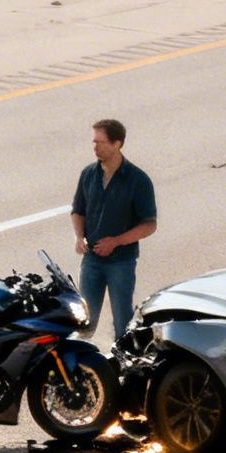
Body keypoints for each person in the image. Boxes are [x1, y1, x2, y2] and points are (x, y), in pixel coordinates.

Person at [71, 119, 157, 342]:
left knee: (122, 323)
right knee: (84, 322)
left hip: (121, 263)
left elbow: (149, 225)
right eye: (94, 142)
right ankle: (78, 369)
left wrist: (116, 241)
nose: (95, 147)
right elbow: (78, 211)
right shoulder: (88, 174)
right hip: (91, 262)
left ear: (117, 144)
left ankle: (125, 367)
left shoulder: (138, 180)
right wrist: (79, 237)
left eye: (100, 142)